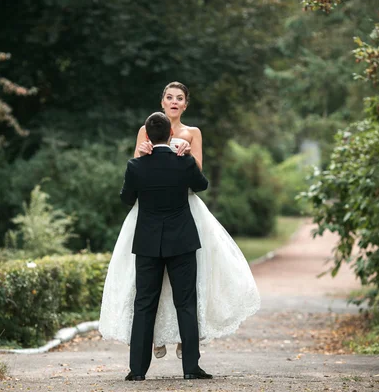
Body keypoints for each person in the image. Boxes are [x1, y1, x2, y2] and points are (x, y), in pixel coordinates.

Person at [99, 82, 260, 365]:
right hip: (149, 211)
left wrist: (185, 154)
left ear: (185, 105)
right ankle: (158, 336)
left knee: (189, 283)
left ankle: (186, 344)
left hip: (184, 210)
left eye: (180, 98)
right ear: (162, 102)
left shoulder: (193, 133)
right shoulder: (147, 128)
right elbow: (138, 170)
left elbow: (197, 175)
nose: (174, 101)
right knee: (150, 285)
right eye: (169, 97)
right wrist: (144, 154)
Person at [120, 111, 211, 380]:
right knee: (186, 303)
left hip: (147, 242)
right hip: (182, 240)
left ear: (146, 137)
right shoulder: (183, 163)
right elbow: (202, 185)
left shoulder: (135, 166)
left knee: (144, 304)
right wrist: (187, 156)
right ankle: (191, 369)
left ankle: (137, 371)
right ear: (171, 135)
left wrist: (139, 158)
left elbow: (126, 199)